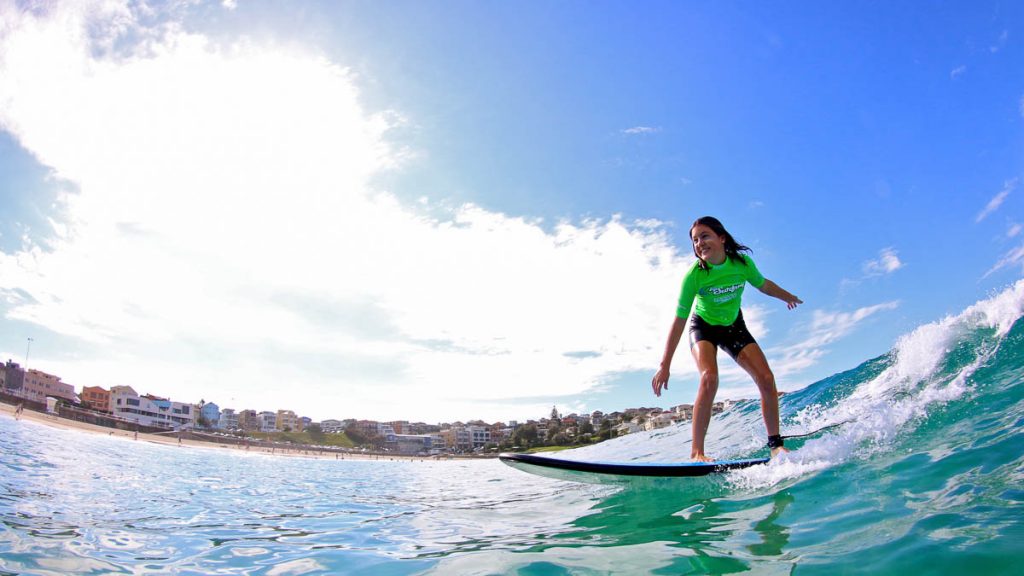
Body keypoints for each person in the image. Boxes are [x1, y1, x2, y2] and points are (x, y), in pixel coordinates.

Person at [652, 216, 802, 461]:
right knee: (709, 377)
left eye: (705, 236)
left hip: (733, 326)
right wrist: (664, 365)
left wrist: (787, 296)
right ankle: (697, 453)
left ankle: (775, 445)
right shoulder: (695, 275)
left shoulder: (741, 264)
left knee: (766, 378)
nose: (699, 243)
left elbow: (763, 285)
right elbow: (679, 320)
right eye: (695, 240)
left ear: (721, 238)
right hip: (703, 327)